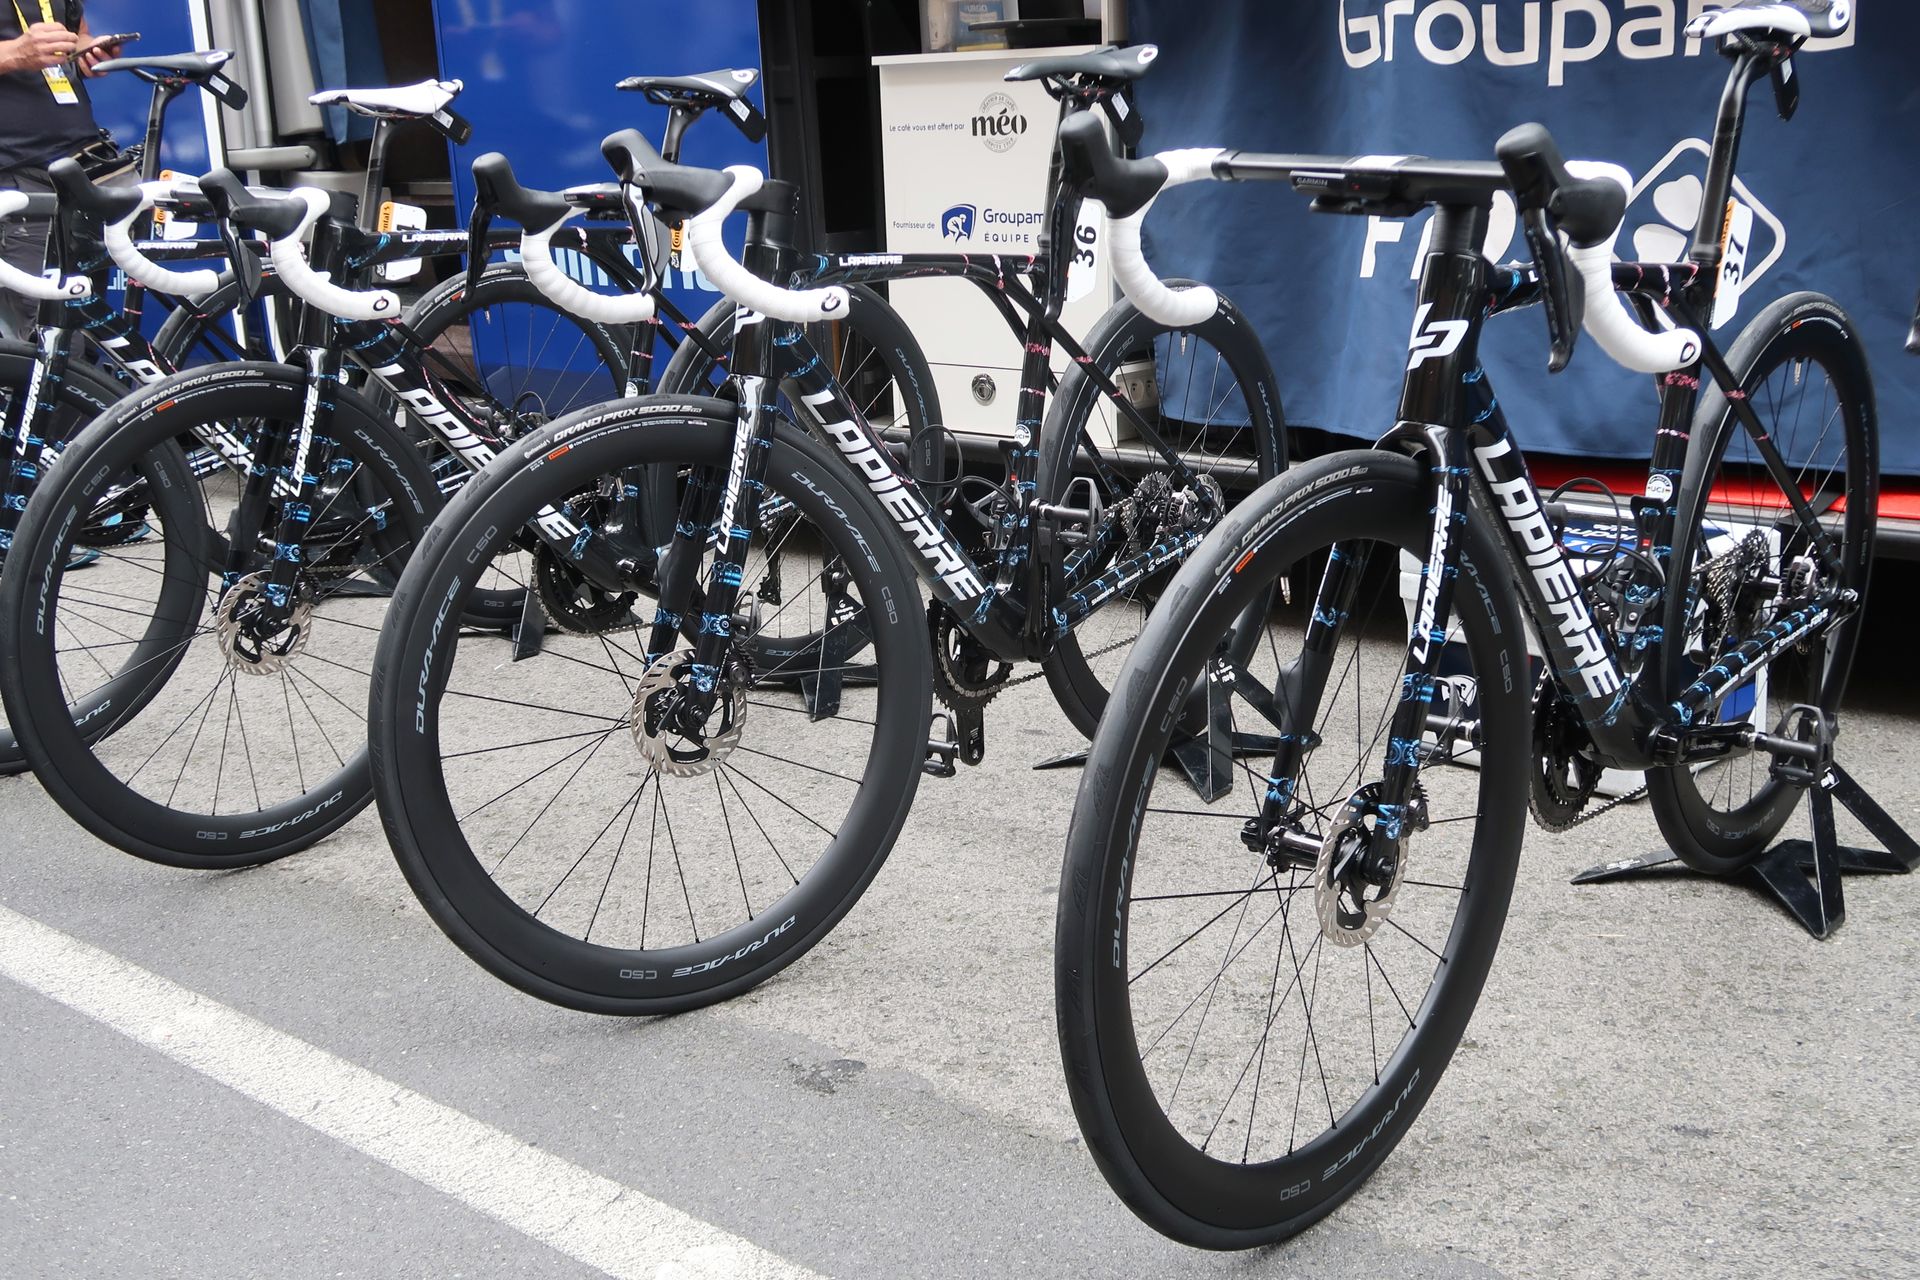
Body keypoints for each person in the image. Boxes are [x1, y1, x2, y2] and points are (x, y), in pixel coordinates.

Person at [0, 1, 124, 339]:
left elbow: (76, 32)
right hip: (18, 180)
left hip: (80, 171)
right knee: (54, 346)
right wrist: (14, 52)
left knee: (87, 333)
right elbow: (17, 48)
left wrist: (86, 49)